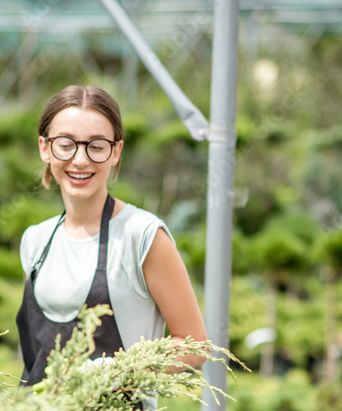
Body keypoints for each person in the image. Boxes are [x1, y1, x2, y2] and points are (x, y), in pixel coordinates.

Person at [16, 85, 208, 385]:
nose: (80, 160)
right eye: (66, 144)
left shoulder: (141, 235)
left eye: (96, 145)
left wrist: (119, 372)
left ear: (116, 151)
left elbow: (195, 344)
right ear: (45, 147)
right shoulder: (35, 241)